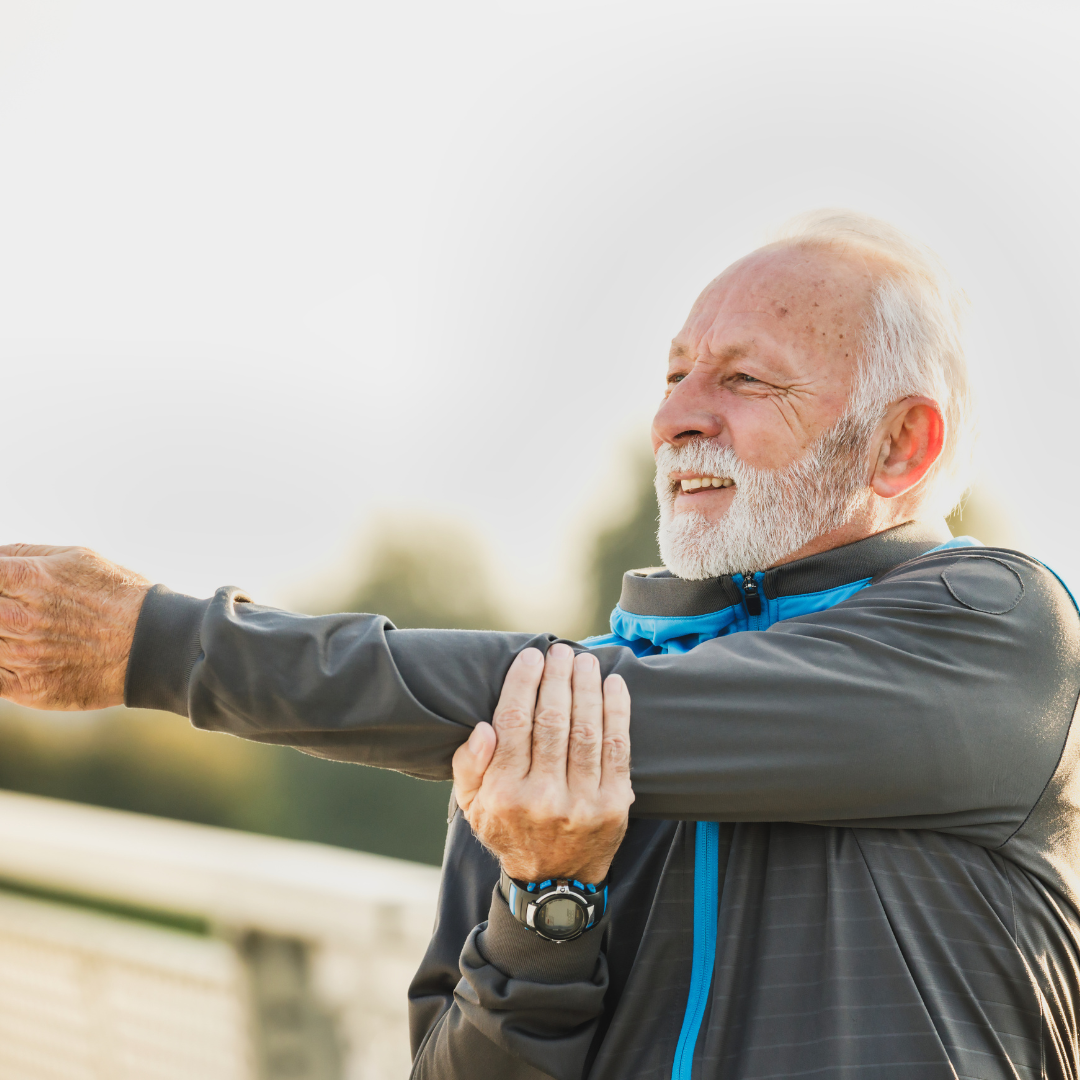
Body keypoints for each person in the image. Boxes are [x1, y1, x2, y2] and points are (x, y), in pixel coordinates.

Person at [1, 210, 1077, 1080]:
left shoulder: (998, 630)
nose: (675, 420)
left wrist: (155, 644)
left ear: (903, 443)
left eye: (745, 380)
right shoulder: (543, 721)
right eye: (674, 376)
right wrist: (545, 911)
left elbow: (607, 711)